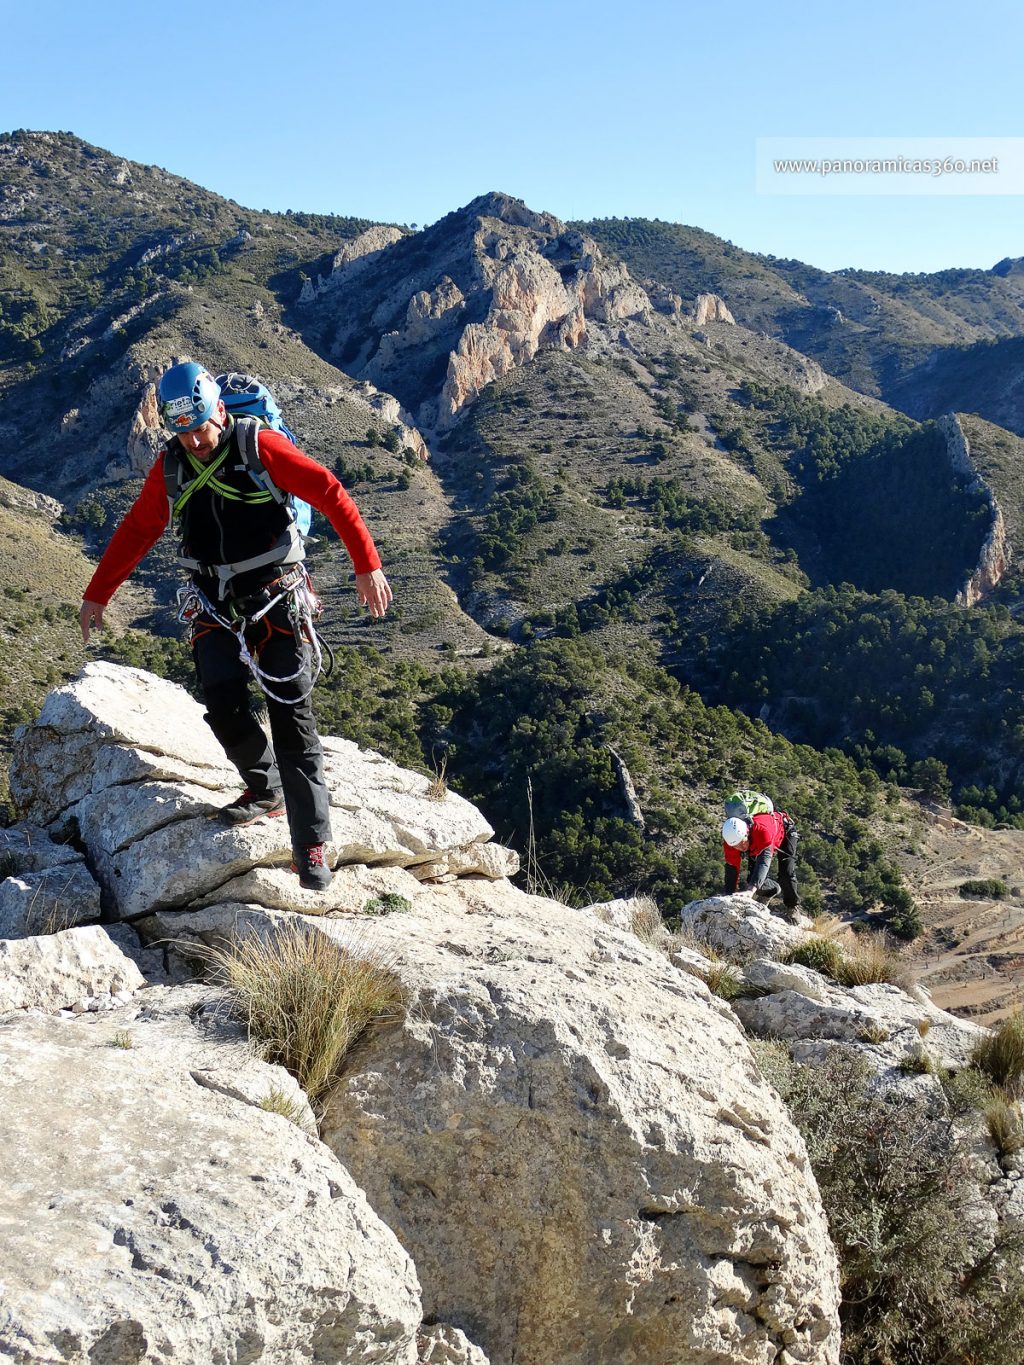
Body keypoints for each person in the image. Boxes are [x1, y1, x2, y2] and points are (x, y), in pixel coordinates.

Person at [80, 362, 392, 892]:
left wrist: (367, 564)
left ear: (219, 411)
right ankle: (264, 787)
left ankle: (312, 845)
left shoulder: (260, 447)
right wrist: (97, 592)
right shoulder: (172, 466)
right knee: (222, 705)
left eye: (202, 428)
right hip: (213, 603)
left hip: (275, 599)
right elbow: (139, 527)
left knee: (293, 721)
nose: (198, 442)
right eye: (185, 433)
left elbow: (329, 491)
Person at [722, 807, 800, 917]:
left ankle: (792, 907)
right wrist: (729, 895)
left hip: (785, 831)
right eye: (736, 846)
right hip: (756, 842)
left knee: (786, 873)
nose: (741, 847)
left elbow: (764, 862)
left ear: (746, 833)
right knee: (752, 879)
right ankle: (771, 890)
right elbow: (732, 868)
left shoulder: (762, 832)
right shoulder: (730, 843)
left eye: (742, 843)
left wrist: (750, 890)